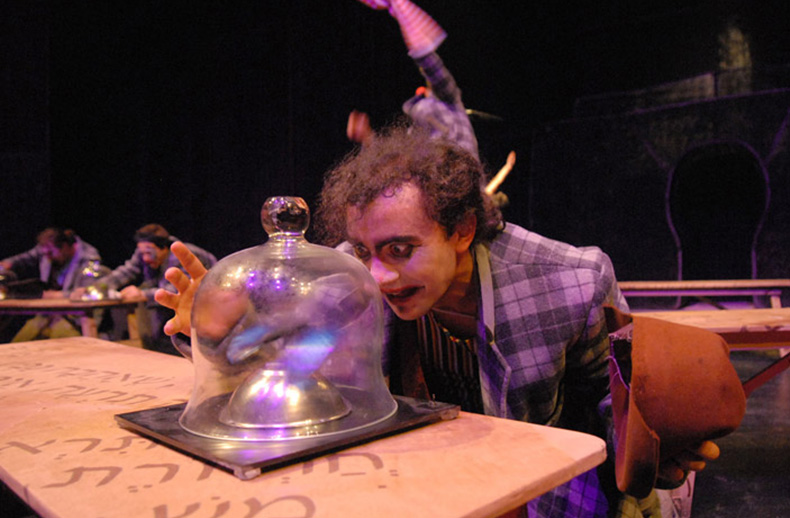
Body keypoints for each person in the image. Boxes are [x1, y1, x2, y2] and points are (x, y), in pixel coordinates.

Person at [155, 126, 719, 517]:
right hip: (412, 484)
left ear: (463, 230)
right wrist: (219, 333)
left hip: (543, 497)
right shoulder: (347, 277)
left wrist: (655, 442)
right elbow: (289, 367)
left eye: (400, 249)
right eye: (364, 249)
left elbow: (609, 403)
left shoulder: (570, 281)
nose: (378, 275)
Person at [347, 0, 479, 160]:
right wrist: (367, 138)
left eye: (425, 91)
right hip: (438, 173)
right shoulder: (413, 134)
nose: (420, 90)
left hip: (463, 170)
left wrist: (402, 11)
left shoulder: (449, 100)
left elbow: (432, 67)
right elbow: (393, 162)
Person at [80, 223, 217, 354]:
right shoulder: (144, 250)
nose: (145, 258)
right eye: (142, 253)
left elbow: (180, 291)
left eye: (149, 253)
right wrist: (93, 288)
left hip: (209, 301)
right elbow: (126, 272)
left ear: (163, 248)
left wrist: (143, 294)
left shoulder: (180, 255)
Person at [0, 227, 106, 341]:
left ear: (65, 246)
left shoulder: (90, 260)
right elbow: (24, 258)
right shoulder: (48, 249)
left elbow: (87, 292)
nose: (47, 258)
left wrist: (59, 295)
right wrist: (5, 265)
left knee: (60, 340)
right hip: (49, 313)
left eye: (50, 253)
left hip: (73, 317)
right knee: (20, 341)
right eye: (44, 254)